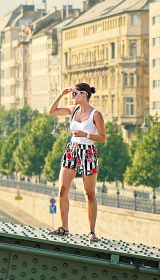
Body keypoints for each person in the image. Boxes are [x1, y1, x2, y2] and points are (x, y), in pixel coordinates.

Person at [48, 83, 106, 242]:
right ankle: (64, 227)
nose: (72, 96)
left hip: (87, 152)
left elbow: (102, 137)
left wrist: (85, 135)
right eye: (72, 94)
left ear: (84, 94)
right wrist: (61, 94)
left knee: (90, 194)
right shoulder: (73, 110)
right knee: (62, 190)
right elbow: (51, 111)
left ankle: (92, 232)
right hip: (72, 150)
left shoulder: (96, 114)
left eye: (74, 94)